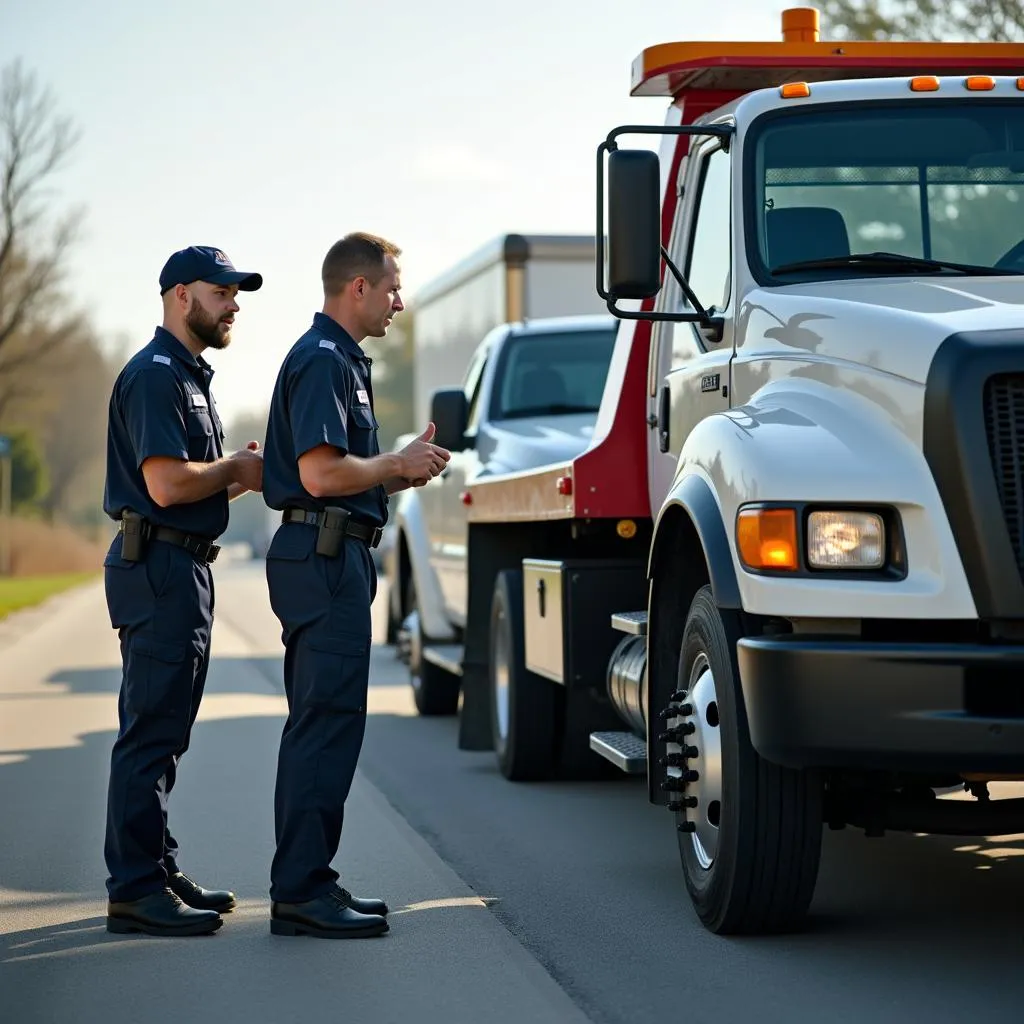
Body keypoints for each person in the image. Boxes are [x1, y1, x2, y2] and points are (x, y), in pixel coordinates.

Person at [261, 232, 449, 939]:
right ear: (357, 288)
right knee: (324, 725)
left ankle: (306, 883)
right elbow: (320, 474)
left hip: (333, 555)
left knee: (327, 724)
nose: (400, 301)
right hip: (322, 554)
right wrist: (394, 465)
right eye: (392, 287)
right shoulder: (322, 361)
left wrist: (398, 463)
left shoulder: (340, 361)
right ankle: (303, 892)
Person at [101, 246, 265, 937]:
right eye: (222, 290)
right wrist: (234, 468)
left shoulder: (190, 378)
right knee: (150, 732)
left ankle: (155, 868)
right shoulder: (156, 376)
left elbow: (186, 477)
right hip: (160, 568)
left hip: (183, 566)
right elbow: (166, 485)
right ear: (178, 295)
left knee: (167, 733)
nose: (234, 303)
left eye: (237, 292)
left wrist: (234, 469)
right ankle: (135, 890)